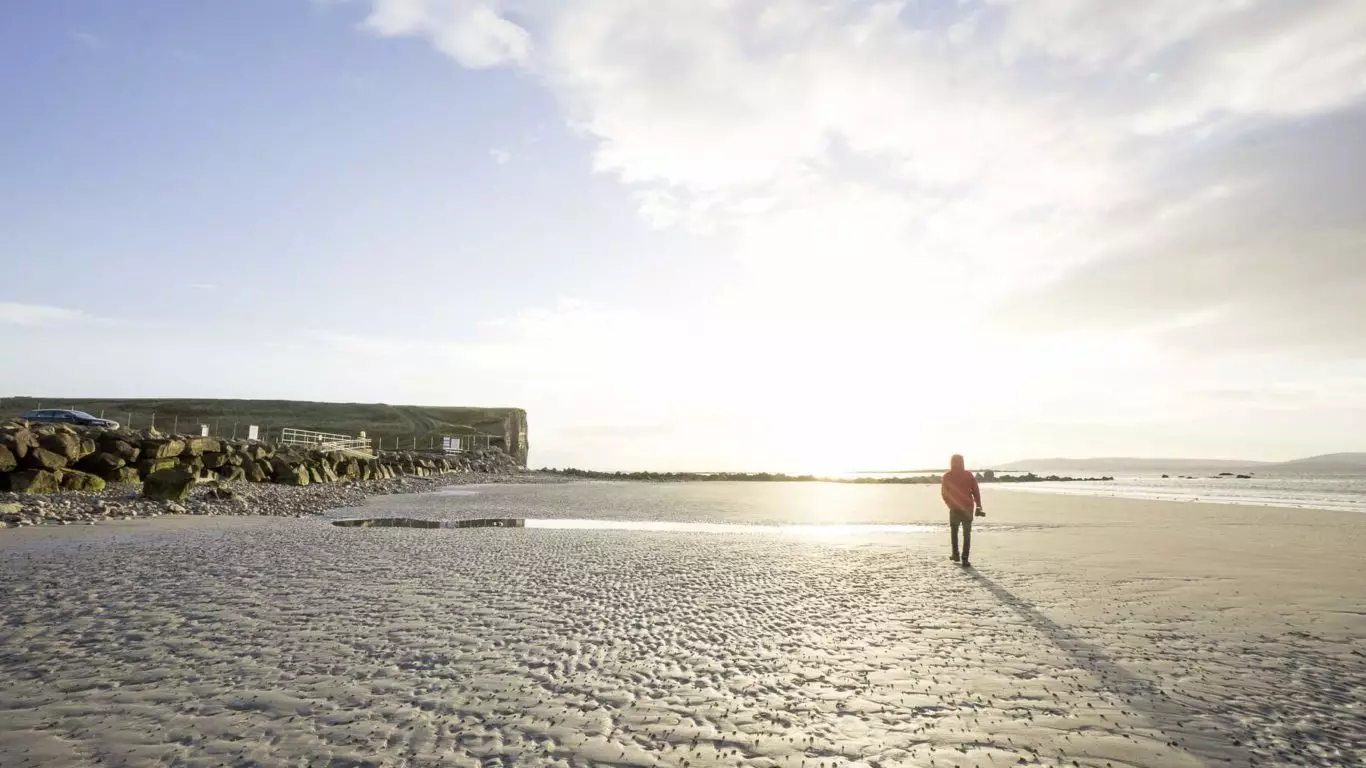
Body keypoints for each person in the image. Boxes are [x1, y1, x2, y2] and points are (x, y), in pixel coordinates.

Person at [941, 454, 984, 566]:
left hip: (954, 508)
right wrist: (979, 505)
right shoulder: (968, 475)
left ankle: (955, 555)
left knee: (954, 532)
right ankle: (965, 559)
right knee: (967, 534)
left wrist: (949, 504)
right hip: (968, 508)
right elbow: (976, 491)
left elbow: (944, 493)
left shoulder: (947, 476)